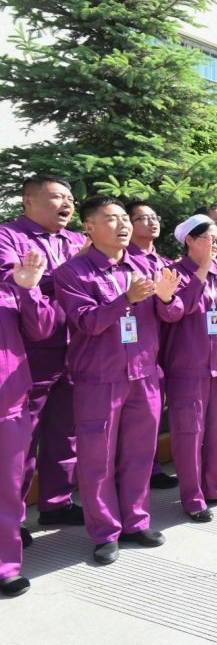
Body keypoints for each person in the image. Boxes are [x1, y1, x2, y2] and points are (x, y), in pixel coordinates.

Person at [53, 195, 183, 565]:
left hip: (144, 374)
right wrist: (125, 299)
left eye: (126, 218)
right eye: (112, 219)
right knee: (97, 460)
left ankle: (136, 521)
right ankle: (105, 532)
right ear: (89, 228)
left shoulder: (145, 266)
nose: (123, 225)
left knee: (140, 454)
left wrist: (166, 296)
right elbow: (88, 322)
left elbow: (171, 314)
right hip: (99, 378)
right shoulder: (72, 273)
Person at [0, 174, 86, 530]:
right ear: (28, 201)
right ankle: (13, 521)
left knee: (65, 431)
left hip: (76, 349)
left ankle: (56, 503)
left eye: (69, 198)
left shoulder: (79, 240)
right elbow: (13, 280)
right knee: (23, 439)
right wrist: (62, 278)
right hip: (30, 351)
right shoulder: (9, 236)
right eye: (56, 197)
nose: (66, 204)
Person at [161, 216, 217, 521]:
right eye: (209, 240)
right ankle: (192, 496)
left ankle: (215, 486)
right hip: (189, 370)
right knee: (189, 434)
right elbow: (174, 312)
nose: (215, 245)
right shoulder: (174, 273)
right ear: (189, 240)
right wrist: (200, 271)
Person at [0, 250, 57, 597]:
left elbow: (42, 329)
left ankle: (5, 567)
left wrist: (28, 289)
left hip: (9, 402)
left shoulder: (12, 284)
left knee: (7, 489)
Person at [124, 201, 182, 490]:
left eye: (154, 216)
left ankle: (151, 468)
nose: (151, 222)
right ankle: (132, 474)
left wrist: (168, 299)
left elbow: (175, 310)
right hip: (129, 353)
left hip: (158, 350)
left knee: (151, 416)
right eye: (142, 218)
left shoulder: (164, 263)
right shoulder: (124, 261)